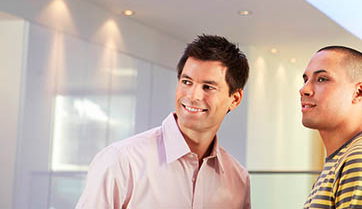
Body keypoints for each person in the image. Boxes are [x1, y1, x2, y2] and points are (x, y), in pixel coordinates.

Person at [76, 34, 251, 208]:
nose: (193, 96)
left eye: (208, 87)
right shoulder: (122, 161)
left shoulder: (238, 180)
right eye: (186, 82)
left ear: (235, 99)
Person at [300, 46, 362, 209]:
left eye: (322, 79)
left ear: (359, 92)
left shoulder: (361, 159)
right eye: (306, 80)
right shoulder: (340, 160)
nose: (304, 89)